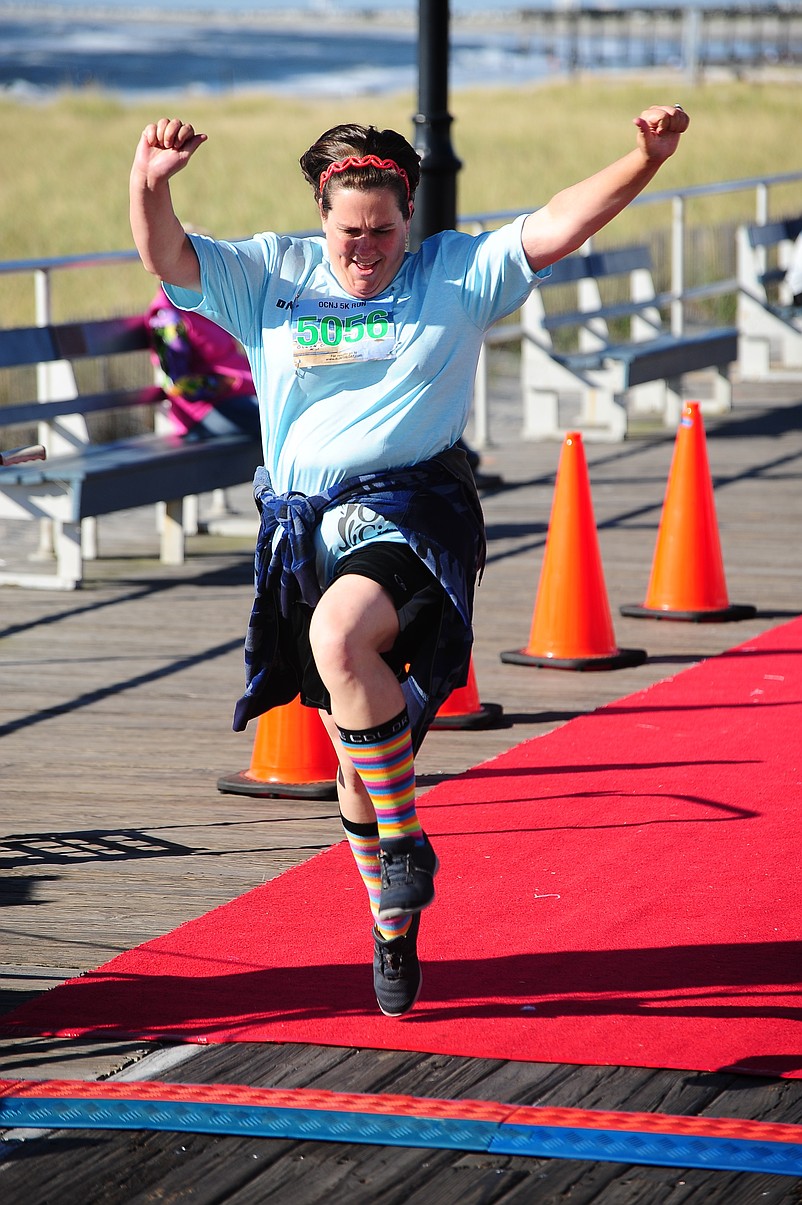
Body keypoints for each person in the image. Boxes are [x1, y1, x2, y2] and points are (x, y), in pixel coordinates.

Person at [129, 103, 690, 1017]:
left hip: (410, 518)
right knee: (356, 767)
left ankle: (402, 846)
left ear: (409, 219)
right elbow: (167, 258)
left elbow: (561, 220)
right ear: (321, 216)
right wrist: (148, 182)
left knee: (342, 635)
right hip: (308, 536)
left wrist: (643, 157)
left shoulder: (454, 274)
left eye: (383, 231)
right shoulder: (270, 274)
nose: (365, 250)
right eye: (349, 231)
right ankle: (393, 921)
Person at [146, 284, 261, 440]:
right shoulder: (167, 318)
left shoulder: (204, 302)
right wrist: (223, 383)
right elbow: (178, 385)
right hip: (206, 411)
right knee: (270, 416)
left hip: (243, 392)